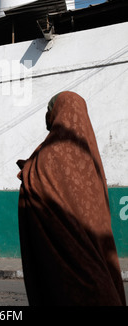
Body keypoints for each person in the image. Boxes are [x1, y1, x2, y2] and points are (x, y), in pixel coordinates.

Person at [17, 91, 126, 306]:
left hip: (63, 273)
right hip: (100, 263)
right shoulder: (91, 160)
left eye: (48, 112)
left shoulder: (45, 159)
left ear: (55, 114)